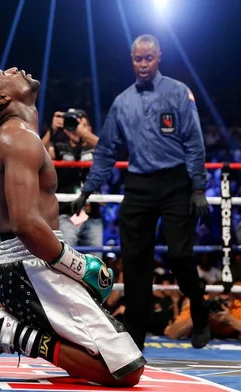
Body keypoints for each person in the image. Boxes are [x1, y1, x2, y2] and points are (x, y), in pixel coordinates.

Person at [0, 66, 146, 387]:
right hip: (35, 268)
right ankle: (11, 332)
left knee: (96, 356)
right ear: (1, 96)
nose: (15, 69)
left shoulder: (19, 137)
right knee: (127, 370)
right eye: (4, 72)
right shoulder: (17, 138)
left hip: (30, 266)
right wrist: (79, 266)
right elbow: (24, 222)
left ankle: (12, 329)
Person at [72, 34, 211, 351]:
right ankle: (135, 336)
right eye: (138, 59)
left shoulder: (178, 92)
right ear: (131, 59)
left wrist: (199, 186)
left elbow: (194, 142)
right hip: (139, 183)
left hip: (176, 182)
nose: (143, 64)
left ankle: (201, 312)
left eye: (149, 58)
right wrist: (89, 189)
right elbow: (106, 151)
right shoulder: (122, 101)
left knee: (180, 256)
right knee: (134, 261)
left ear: (159, 57)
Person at [46, 109, 103, 258]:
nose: (76, 128)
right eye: (73, 125)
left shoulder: (94, 148)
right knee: (66, 260)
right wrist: (51, 131)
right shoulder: (60, 147)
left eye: (82, 125)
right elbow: (37, 154)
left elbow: (108, 149)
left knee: (96, 262)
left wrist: (82, 133)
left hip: (93, 215)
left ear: (89, 129)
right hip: (66, 214)